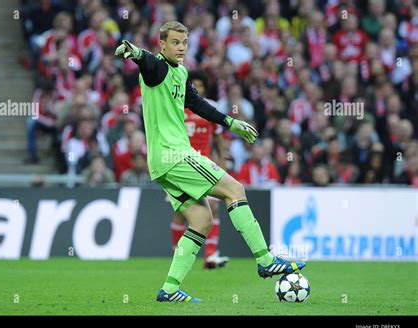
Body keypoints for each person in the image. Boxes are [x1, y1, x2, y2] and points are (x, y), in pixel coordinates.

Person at [115, 21, 305, 303]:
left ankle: (168, 290)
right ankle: (265, 259)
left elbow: (197, 103)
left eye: (184, 42)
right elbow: (148, 63)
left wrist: (231, 123)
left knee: (202, 220)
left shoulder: (180, 72)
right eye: (175, 42)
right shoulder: (158, 69)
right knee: (235, 190)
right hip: (175, 154)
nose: (180, 47)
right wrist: (134, 52)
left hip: (164, 162)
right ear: (162, 44)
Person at [170, 70, 229, 269]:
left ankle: (210, 256)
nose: (197, 89)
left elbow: (219, 137)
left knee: (213, 207)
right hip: (181, 165)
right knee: (182, 212)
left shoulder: (210, 108)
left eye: (200, 86)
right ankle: (177, 252)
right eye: (193, 85)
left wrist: (222, 160)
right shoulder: (176, 106)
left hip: (204, 165)